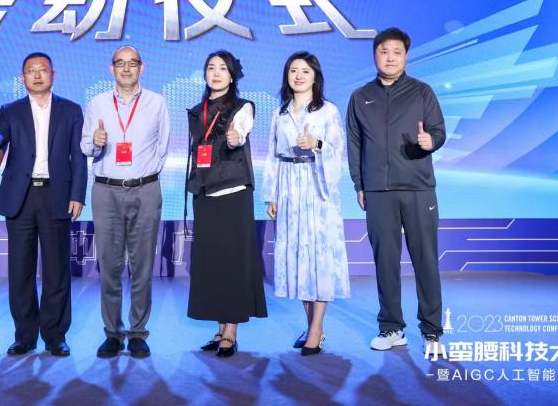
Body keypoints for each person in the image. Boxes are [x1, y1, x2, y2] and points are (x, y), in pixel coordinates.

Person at [346, 27, 447, 353]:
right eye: (384, 51)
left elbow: (438, 131)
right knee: (385, 262)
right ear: (374, 55)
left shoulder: (422, 92)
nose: (390, 58)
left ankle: (432, 332)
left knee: (425, 261)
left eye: (397, 52)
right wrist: (360, 184)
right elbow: (354, 145)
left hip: (418, 188)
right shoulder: (360, 97)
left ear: (406, 56)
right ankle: (391, 328)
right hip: (378, 191)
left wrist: (430, 141)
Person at [0, 52, 87, 357]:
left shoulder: (71, 110)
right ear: (23, 78)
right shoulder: (11, 110)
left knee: (57, 270)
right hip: (21, 196)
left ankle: (55, 336)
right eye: (31, 70)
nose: (37, 75)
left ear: (53, 75)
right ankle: (25, 336)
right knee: (20, 271)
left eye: (43, 70)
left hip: (57, 194)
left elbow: (78, 157)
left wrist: (78, 194)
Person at [81, 46, 170, 359]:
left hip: (145, 189)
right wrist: (96, 143)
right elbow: (85, 146)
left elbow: (162, 147)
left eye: (133, 63)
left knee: (142, 266)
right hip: (106, 190)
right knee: (110, 266)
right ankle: (113, 334)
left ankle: (137, 334)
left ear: (142, 68)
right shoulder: (97, 103)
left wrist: (143, 175)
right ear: (111, 69)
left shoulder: (157, 102)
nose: (127, 68)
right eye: (121, 63)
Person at [264, 51, 350, 356]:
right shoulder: (280, 113)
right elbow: (272, 155)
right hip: (289, 187)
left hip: (317, 187)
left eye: (305, 71)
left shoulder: (327, 111)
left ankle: (316, 329)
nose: (298, 76)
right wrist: (272, 194)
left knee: (318, 257)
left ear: (315, 77)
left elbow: (338, 151)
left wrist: (317, 144)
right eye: (293, 71)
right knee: (299, 258)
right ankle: (312, 325)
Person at [186, 50, 267, 357]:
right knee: (212, 262)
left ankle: (231, 331)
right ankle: (219, 329)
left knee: (232, 261)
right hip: (204, 193)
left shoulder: (243, 106)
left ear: (232, 76)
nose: (216, 73)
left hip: (233, 192)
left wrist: (236, 138)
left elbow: (240, 132)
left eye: (223, 68)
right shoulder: (198, 111)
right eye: (211, 67)